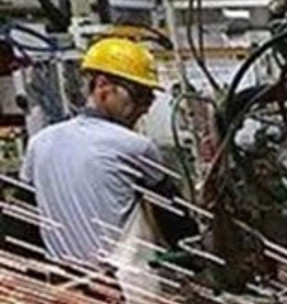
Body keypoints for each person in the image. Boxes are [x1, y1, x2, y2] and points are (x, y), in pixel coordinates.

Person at [21, 37, 196, 273]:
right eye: (140, 96)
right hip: (119, 283)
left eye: (150, 99)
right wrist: (195, 255)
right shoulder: (135, 146)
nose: (145, 107)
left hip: (60, 282)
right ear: (103, 86)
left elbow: (24, 218)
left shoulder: (39, 141)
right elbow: (173, 216)